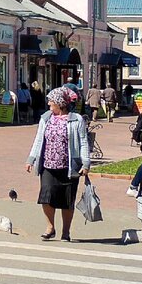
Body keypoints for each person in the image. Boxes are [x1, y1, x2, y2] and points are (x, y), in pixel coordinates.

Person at [26, 86, 91, 241]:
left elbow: (83, 141)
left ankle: (66, 232)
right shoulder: (46, 118)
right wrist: (31, 159)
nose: (49, 104)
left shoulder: (76, 119)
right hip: (48, 165)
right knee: (46, 196)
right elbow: (39, 139)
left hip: (69, 167)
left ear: (60, 103)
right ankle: (50, 227)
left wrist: (86, 163)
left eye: (51, 102)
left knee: (67, 200)